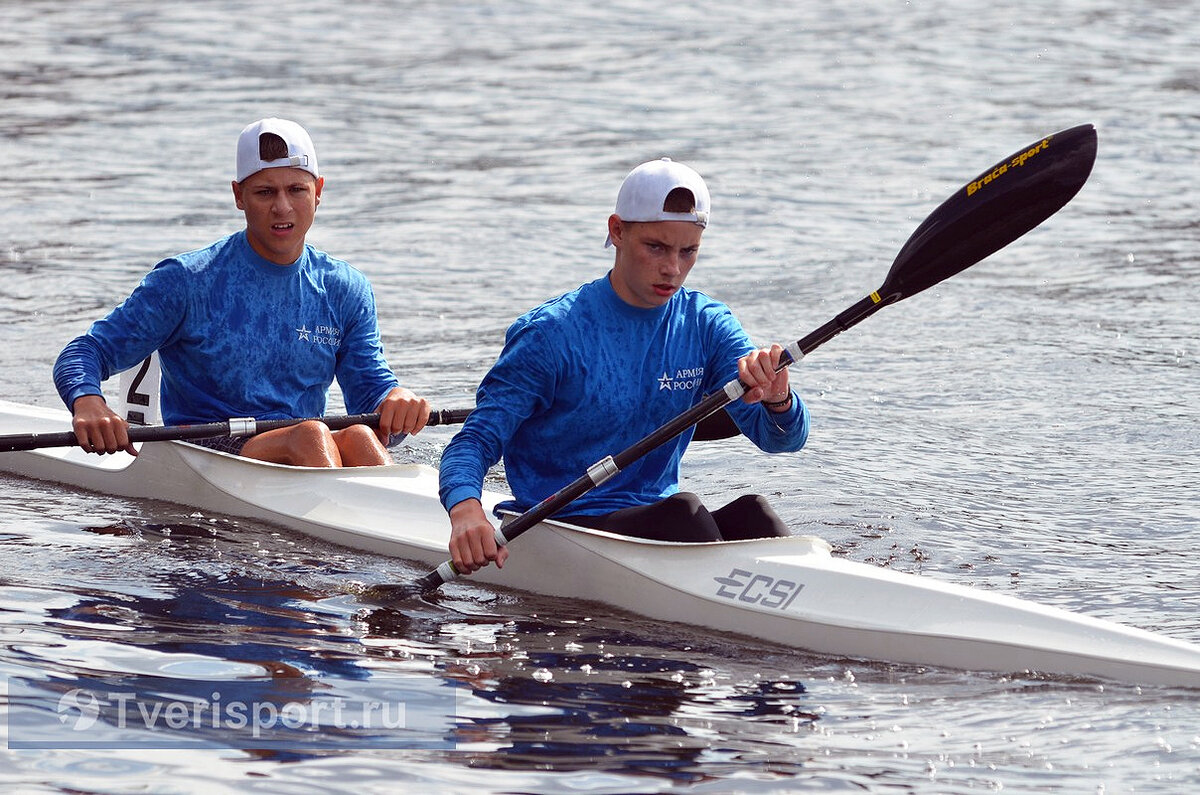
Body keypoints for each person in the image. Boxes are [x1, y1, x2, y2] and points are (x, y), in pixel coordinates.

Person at [440, 157, 809, 573]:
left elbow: (781, 441)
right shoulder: (550, 334)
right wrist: (467, 510)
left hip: (660, 524)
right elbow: (473, 442)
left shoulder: (707, 324)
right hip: (564, 524)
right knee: (685, 513)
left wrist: (779, 400)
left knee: (753, 514)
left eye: (688, 251)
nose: (673, 268)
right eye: (656, 247)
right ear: (617, 231)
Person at [52, 118, 429, 467]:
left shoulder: (345, 288)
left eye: (296, 189)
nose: (282, 207)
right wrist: (88, 402)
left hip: (303, 448)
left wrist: (394, 402)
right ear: (239, 195)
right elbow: (86, 352)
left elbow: (371, 400)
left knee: (362, 436)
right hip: (205, 446)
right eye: (265, 192)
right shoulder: (186, 280)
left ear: (318, 192)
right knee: (311, 434)